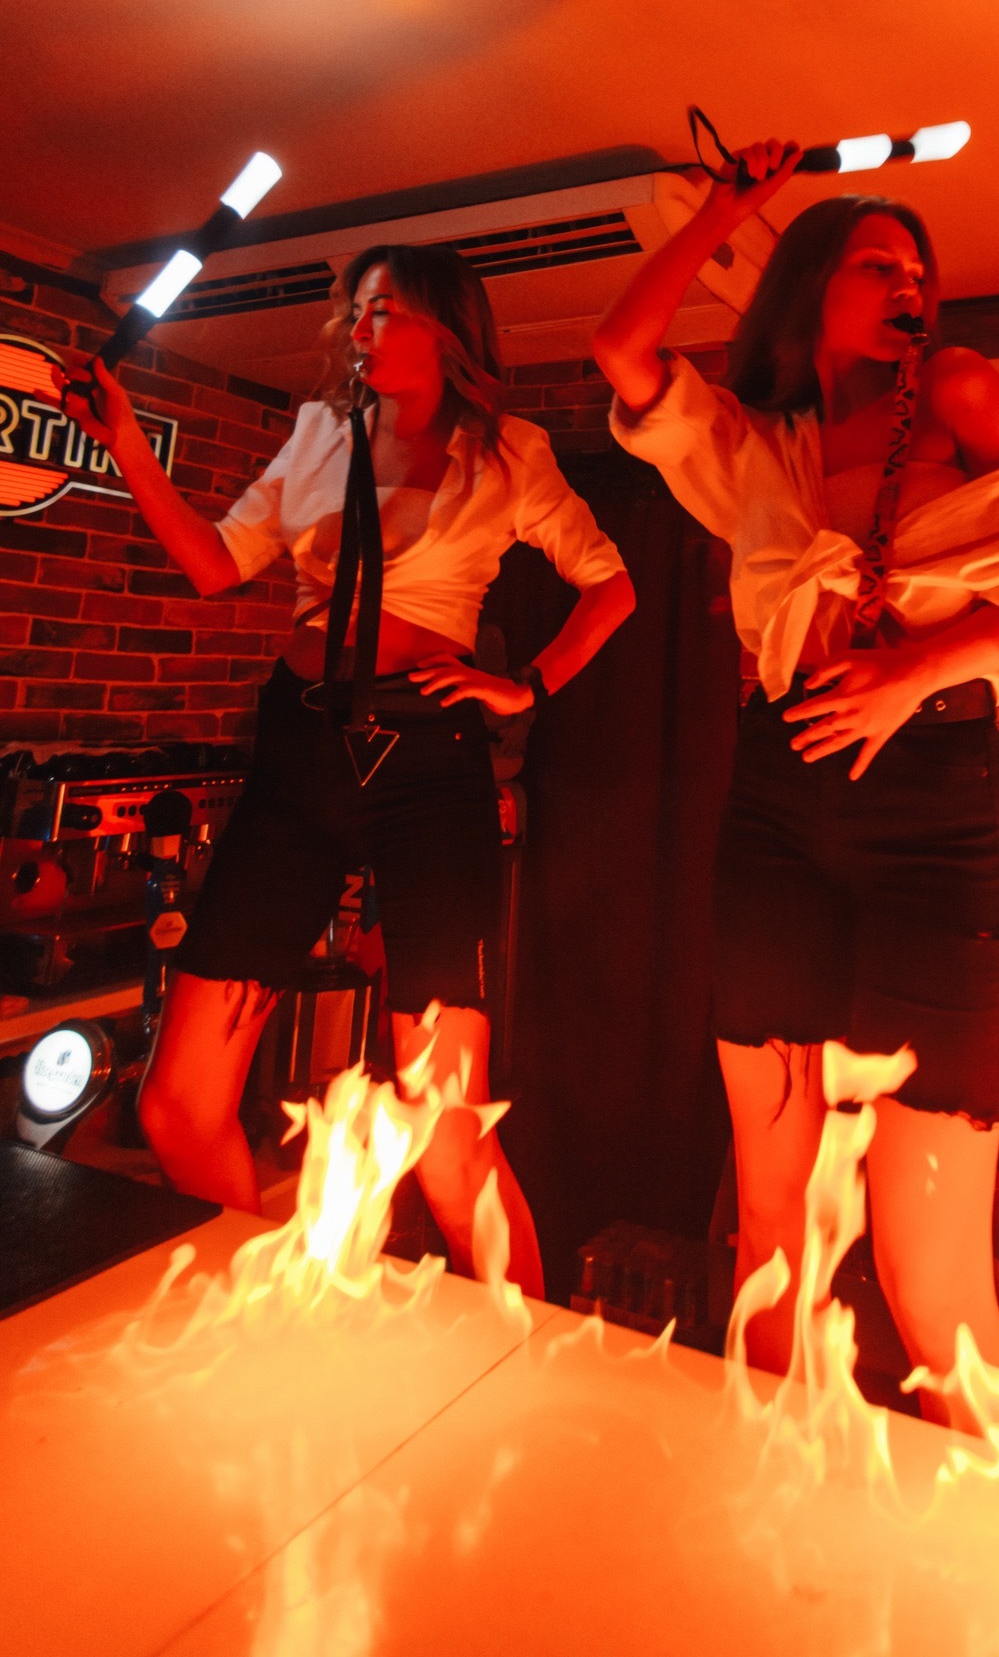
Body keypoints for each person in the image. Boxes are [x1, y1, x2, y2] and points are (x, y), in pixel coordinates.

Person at [593, 141, 999, 1426]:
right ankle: (769, 1501)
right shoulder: (754, 445)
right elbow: (620, 349)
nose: (907, 284)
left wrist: (911, 670)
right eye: (876, 263)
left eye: (917, 269)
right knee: (770, 1228)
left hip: (931, 805)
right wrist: (727, 209)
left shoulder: (958, 391)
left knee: (930, 1283)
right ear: (809, 286)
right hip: (776, 802)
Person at [57, 244, 635, 1298]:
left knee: (447, 1132)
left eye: (386, 312)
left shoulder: (510, 452)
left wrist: (527, 686)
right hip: (300, 752)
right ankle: (263, 1310)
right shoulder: (320, 431)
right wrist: (128, 442)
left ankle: (519, 1352)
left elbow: (611, 586)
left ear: (446, 329)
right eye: (356, 313)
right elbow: (216, 563)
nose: (361, 332)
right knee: (175, 1106)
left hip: (429, 768)